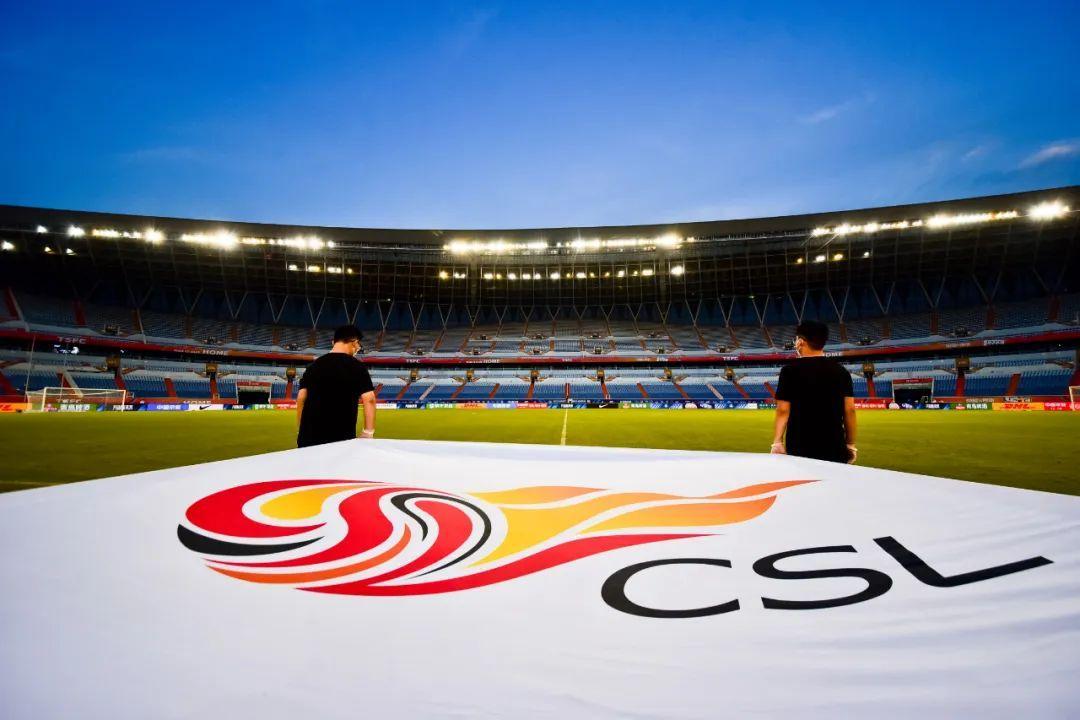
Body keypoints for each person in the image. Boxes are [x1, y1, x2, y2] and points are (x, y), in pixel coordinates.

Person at [770, 320, 857, 463]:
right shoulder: (841, 371)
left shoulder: (789, 371)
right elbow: (850, 410)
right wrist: (850, 444)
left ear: (800, 342)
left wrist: (777, 442)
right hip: (834, 445)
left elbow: (783, 410)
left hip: (799, 446)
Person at [295, 325, 377, 447]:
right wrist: (368, 432)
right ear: (354, 342)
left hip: (308, 439)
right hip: (340, 439)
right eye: (359, 345)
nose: (358, 349)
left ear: (333, 342)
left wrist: (301, 430)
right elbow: (369, 399)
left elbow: (301, 398)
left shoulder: (313, 366)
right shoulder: (357, 366)